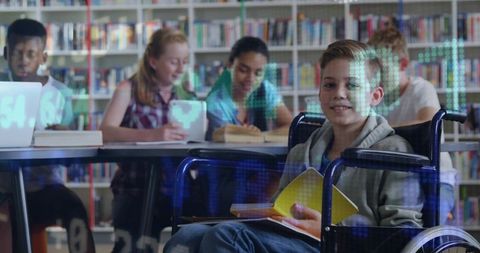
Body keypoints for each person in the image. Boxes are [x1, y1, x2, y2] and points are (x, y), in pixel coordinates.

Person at [163, 39, 423, 253]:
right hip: (296, 239)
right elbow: (282, 209)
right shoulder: (303, 151)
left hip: (344, 246)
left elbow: (402, 233)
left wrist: (331, 230)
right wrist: (269, 214)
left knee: (227, 237)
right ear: (320, 92)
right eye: (329, 85)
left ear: (375, 96)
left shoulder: (395, 152)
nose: (339, 93)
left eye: (352, 85)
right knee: (187, 237)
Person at [1, 18, 95, 252]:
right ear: (5, 53)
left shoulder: (60, 94)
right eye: (17, 53)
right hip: (3, 190)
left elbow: (70, 158)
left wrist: (65, 137)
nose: (23, 61)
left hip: (45, 188)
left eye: (31, 54)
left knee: (75, 210)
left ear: (43, 57)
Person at [99, 28, 196, 253]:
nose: (181, 68)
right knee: (134, 245)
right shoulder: (128, 89)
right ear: (153, 61)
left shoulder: (185, 95)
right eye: (174, 62)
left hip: (176, 187)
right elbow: (105, 131)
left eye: (185, 61)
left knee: (200, 233)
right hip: (135, 188)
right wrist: (151, 135)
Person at [367, 26, 456, 225]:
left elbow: (428, 124)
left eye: (381, 68)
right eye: (372, 70)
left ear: (403, 64)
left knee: (426, 228)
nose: (376, 76)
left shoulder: (422, 89)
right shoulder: (375, 99)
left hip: (435, 180)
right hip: (394, 181)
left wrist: (379, 129)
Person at [205, 36, 292, 140]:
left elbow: (291, 127)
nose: (251, 78)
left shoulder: (266, 89)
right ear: (229, 66)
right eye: (243, 70)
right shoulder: (215, 103)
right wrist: (268, 136)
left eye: (258, 73)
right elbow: (227, 139)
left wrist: (262, 136)